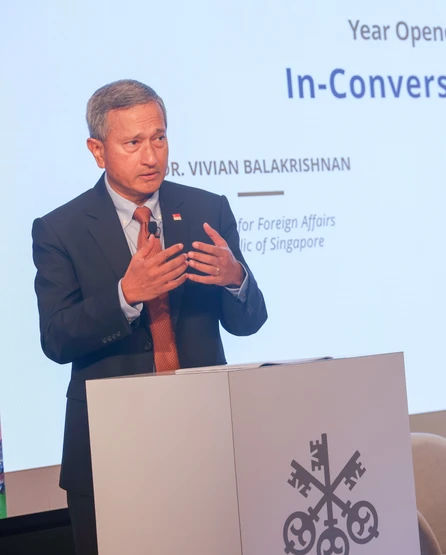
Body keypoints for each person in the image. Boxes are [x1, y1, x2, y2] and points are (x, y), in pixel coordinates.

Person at [31, 79, 268, 555]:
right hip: (109, 451)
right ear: (98, 151)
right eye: (133, 143)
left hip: (205, 441)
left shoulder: (206, 208)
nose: (151, 156)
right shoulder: (60, 229)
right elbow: (56, 339)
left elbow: (248, 322)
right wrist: (125, 295)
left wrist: (234, 278)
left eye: (159, 138)